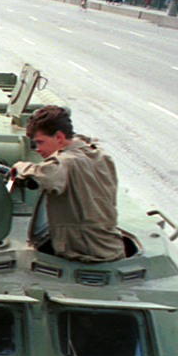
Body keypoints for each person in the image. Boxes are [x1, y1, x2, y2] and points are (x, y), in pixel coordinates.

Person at [11, 106, 124, 263]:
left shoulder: (66, 163)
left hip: (88, 252)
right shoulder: (98, 155)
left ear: (59, 136)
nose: (38, 149)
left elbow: (46, 176)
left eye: (40, 142)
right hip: (110, 245)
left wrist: (20, 167)